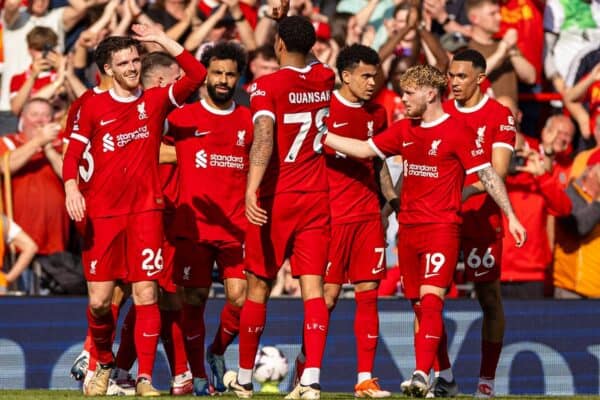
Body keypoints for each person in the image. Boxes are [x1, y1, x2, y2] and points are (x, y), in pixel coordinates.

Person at [323, 63, 526, 398]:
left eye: (408, 93)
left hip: (442, 228)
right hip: (409, 231)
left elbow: (488, 175)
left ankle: (420, 373)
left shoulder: (458, 131)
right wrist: (320, 134)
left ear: (430, 94)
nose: (402, 99)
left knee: (432, 300)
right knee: (419, 305)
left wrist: (512, 216)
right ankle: (445, 376)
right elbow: (362, 149)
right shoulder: (404, 130)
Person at [62, 25, 207, 396]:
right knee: (98, 303)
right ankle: (104, 363)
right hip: (103, 216)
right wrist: (71, 186)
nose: (131, 66)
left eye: (135, 59)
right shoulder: (92, 105)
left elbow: (197, 74)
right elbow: (74, 153)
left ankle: (143, 378)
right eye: (123, 62)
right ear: (108, 70)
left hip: (146, 212)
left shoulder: (155, 101)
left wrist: (163, 40)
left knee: (146, 294)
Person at [223, 13, 336, 400]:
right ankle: (312, 379)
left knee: (258, 285)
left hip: (277, 197)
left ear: (279, 45)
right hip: (317, 195)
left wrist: (251, 188)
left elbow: (265, 137)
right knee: (313, 290)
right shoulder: (325, 78)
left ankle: (243, 377)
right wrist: (289, 19)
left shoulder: (265, 85)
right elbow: (315, 59)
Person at [166, 41, 252, 396]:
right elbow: (150, 146)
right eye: (217, 72)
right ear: (205, 76)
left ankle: (217, 352)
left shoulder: (248, 120)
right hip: (194, 226)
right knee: (195, 297)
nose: (223, 79)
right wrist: (181, 158)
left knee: (240, 297)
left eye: (230, 74)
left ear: (238, 78)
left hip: (236, 225)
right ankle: (199, 375)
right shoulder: (182, 117)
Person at [433, 49, 517, 398]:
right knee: (430, 297)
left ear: (481, 79)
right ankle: (443, 376)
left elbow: (497, 171)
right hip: (442, 219)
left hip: (481, 218)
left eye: (461, 76)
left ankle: (486, 383)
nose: (453, 82)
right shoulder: (441, 110)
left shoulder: (498, 115)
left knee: (488, 298)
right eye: (450, 75)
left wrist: (461, 190)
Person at [317, 43, 397, 398]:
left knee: (368, 293)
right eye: (365, 75)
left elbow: (378, 163)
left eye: (375, 75)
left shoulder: (378, 114)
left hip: (367, 215)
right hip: (331, 216)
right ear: (345, 75)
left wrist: (391, 201)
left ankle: (365, 378)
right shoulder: (322, 109)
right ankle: (307, 375)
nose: (371, 82)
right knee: (328, 297)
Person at [0, 98, 67, 261]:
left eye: (45, 115)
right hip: (18, 246)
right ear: (23, 118)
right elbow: (5, 166)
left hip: (57, 244)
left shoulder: (61, 145)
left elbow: (70, 176)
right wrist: (38, 141)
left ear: (52, 120)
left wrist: (49, 149)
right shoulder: (9, 141)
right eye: (34, 114)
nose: (40, 120)